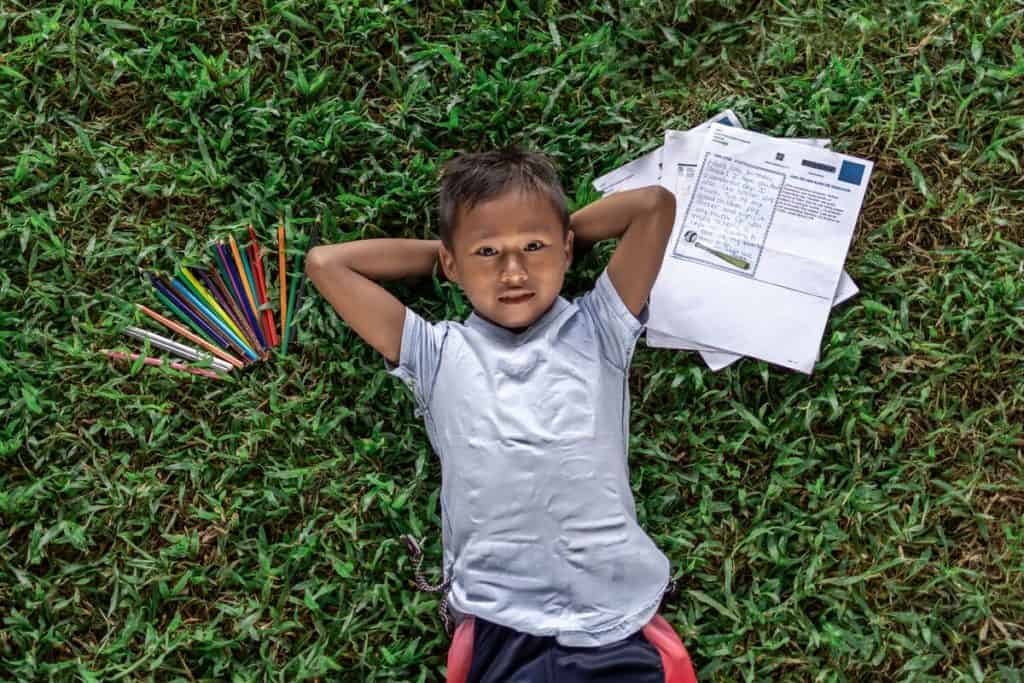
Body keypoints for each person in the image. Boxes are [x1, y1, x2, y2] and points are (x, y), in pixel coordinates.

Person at [306, 149, 697, 682]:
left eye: (532, 248)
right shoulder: (436, 350)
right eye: (488, 252)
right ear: (452, 264)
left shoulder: (600, 326)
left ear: (564, 250)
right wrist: (455, 255)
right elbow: (328, 264)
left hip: (614, 615)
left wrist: (556, 239)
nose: (513, 272)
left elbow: (653, 206)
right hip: (501, 621)